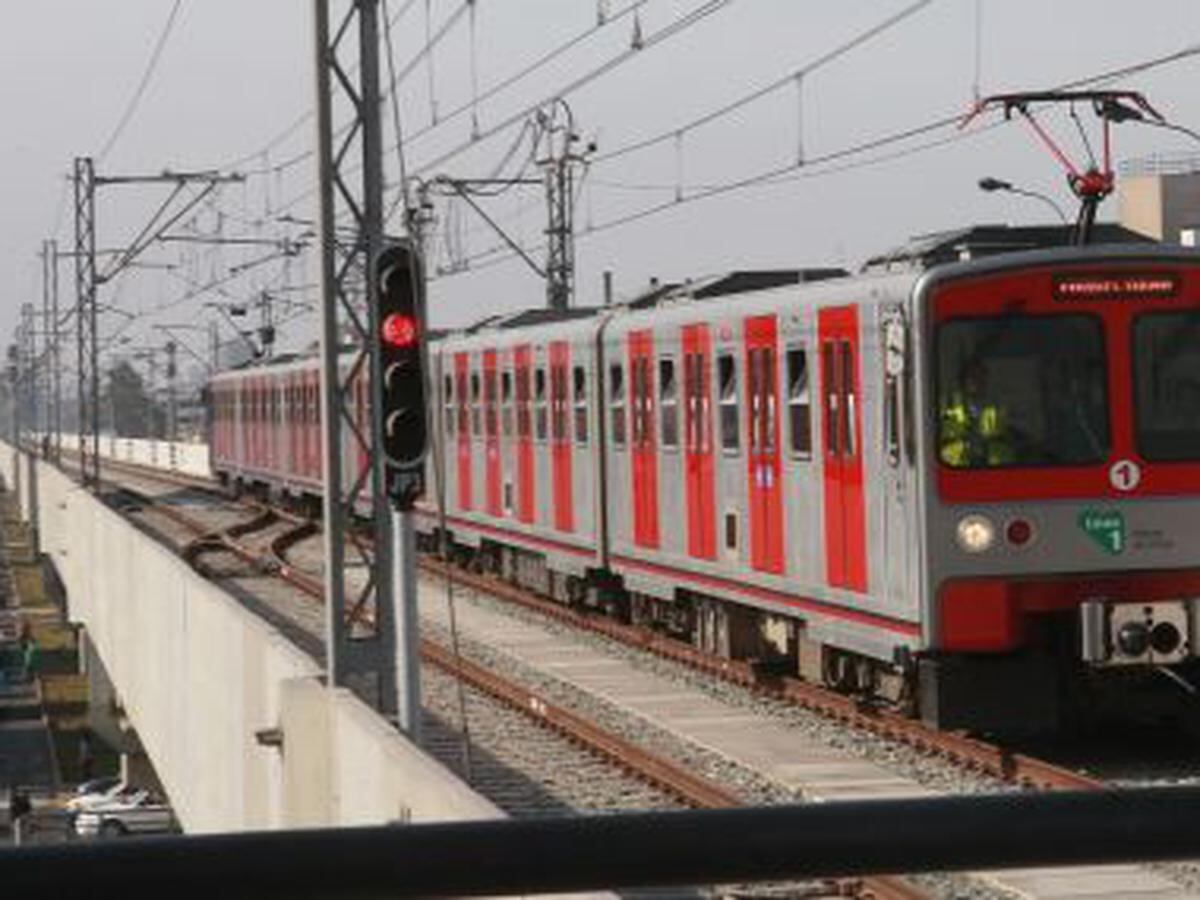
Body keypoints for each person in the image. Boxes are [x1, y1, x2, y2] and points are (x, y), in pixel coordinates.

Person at [940, 361, 1014, 467]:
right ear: (962, 380)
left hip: (994, 467)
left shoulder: (997, 405)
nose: (977, 381)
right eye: (972, 377)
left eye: (981, 376)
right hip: (955, 468)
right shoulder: (947, 403)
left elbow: (1009, 435)